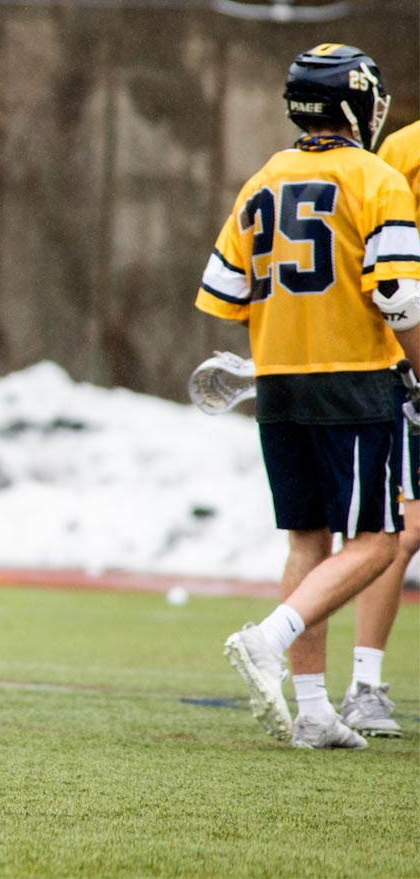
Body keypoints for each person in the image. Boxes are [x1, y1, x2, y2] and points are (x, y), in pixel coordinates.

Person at [202, 44, 420, 749]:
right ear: (357, 103)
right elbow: (399, 295)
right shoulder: (376, 178)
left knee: (308, 536)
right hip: (352, 375)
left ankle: (313, 709)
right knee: (379, 540)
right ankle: (270, 636)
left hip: (279, 380)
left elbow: (228, 295)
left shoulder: (263, 177)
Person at [337, 114, 420, 737]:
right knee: (404, 524)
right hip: (414, 353)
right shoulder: (404, 149)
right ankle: (365, 684)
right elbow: (390, 267)